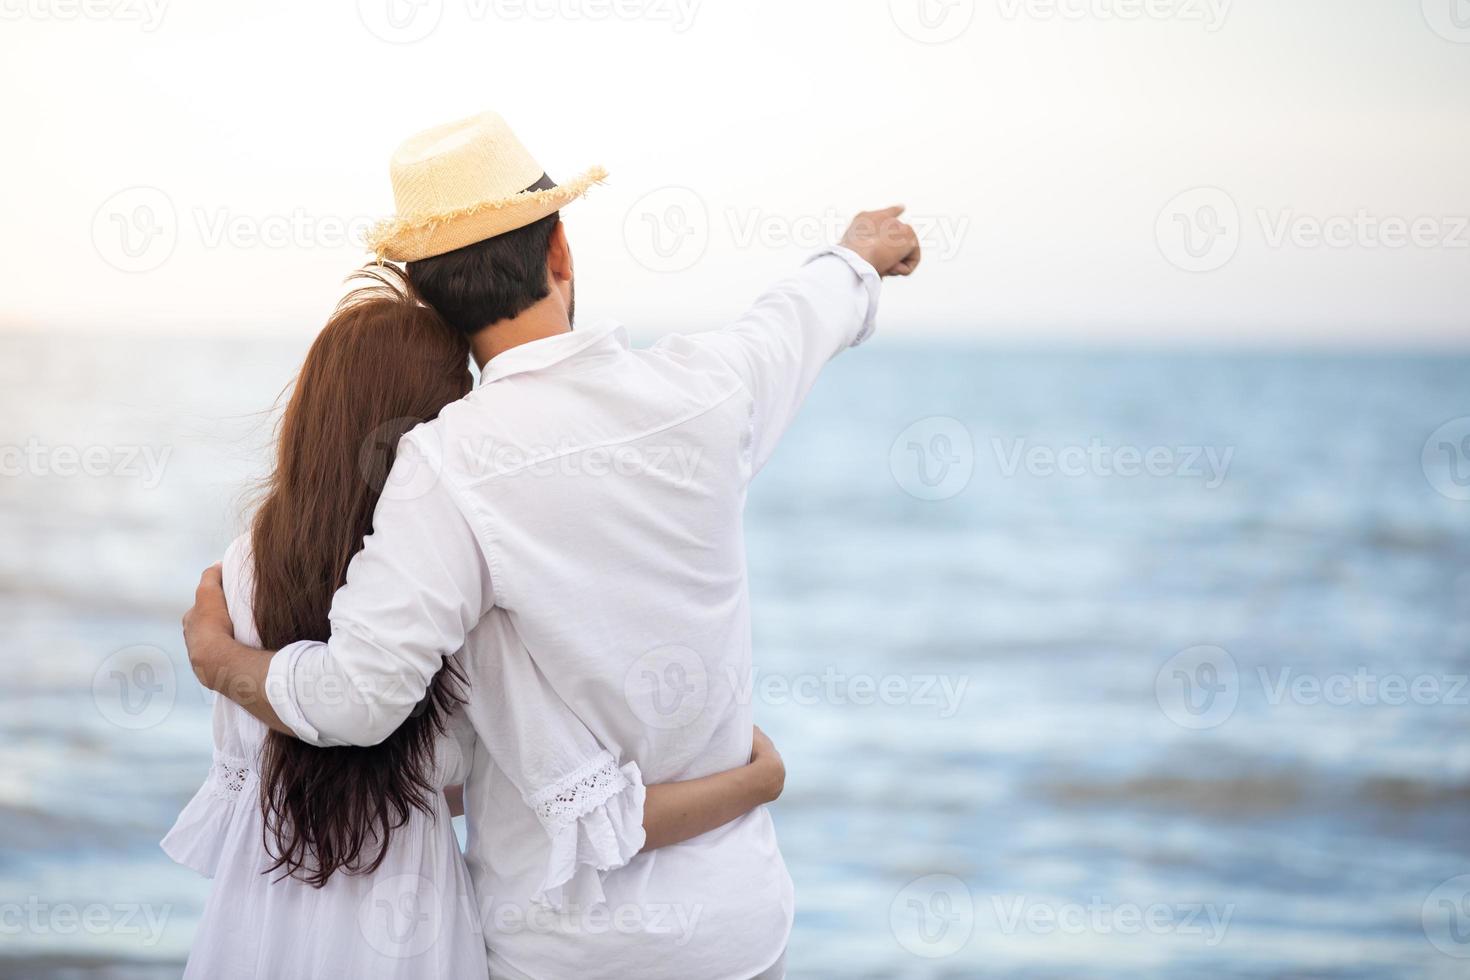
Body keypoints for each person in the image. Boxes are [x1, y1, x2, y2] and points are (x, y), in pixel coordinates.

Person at [183, 109, 921, 980]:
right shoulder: (706, 388)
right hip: (739, 929)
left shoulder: (444, 465)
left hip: (562, 948)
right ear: (559, 252)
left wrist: (219, 659)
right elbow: (798, 318)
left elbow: (357, 698)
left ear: (427, 301)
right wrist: (857, 254)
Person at [163, 268, 788, 979]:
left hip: (261, 911)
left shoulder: (243, 567)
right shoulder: (464, 606)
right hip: (407, 927)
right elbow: (593, 816)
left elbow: (257, 775)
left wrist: (217, 659)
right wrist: (756, 781)